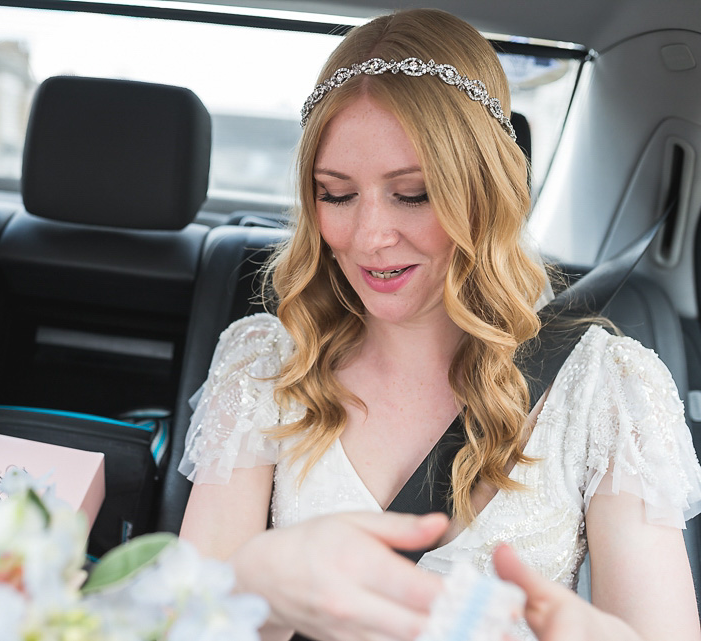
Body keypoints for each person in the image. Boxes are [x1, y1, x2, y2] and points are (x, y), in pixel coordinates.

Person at [178, 8, 701, 641]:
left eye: (414, 193)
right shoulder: (263, 364)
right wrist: (258, 586)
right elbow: (190, 626)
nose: (370, 237)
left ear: (484, 191)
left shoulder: (606, 388)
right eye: (337, 194)